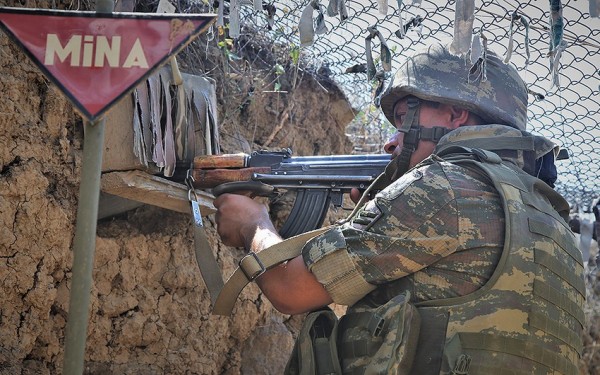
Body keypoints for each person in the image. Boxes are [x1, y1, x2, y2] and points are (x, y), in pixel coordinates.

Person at [214, 41, 585, 374]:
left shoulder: (444, 187)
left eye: (406, 116)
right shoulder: (554, 223)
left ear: (455, 114)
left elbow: (291, 290)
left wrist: (252, 222)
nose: (392, 142)